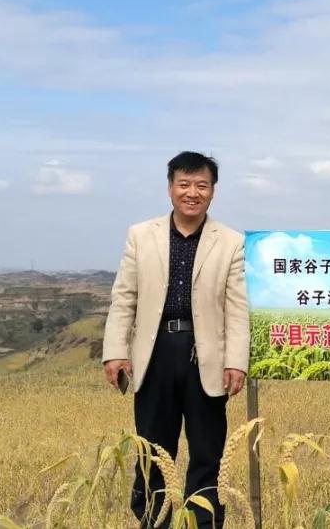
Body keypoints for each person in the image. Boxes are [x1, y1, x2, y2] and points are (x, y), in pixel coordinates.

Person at [102, 151, 249, 528]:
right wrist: (115, 351)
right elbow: (124, 297)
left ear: (213, 191)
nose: (192, 193)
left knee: (207, 452)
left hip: (207, 356)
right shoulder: (141, 235)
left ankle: (203, 523)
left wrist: (236, 361)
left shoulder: (230, 241)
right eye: (184, 184)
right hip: (155, 353)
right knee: (152, 451)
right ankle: (154, 520)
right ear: (170, 188)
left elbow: (236, 307)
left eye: (202, 185)